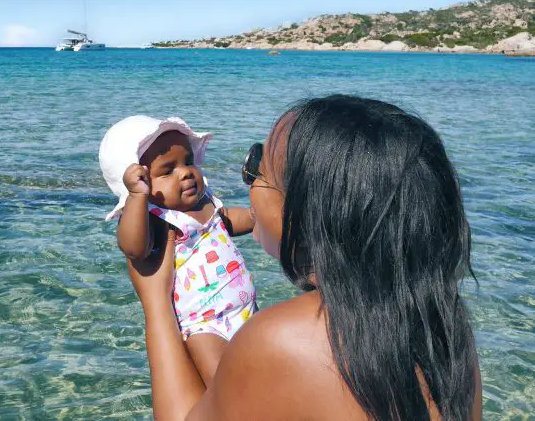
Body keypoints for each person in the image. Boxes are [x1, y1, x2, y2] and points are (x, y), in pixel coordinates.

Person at [125, 96, 482, 420]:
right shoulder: (447, 327)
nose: (247, 182)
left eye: (256, 167)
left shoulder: (280, 338)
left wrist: (155, 304)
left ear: (306, 210)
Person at [99, 115, 257, 386]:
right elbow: (133, 247)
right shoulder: (158, 218)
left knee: (260, 372)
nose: (185, 172)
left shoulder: (206, 203)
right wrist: (136, 197)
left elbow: (229, 220)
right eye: (167, 170)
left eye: (188, 161)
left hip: (246, 312)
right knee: (226, 387)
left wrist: (260, 216)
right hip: (203, 327)